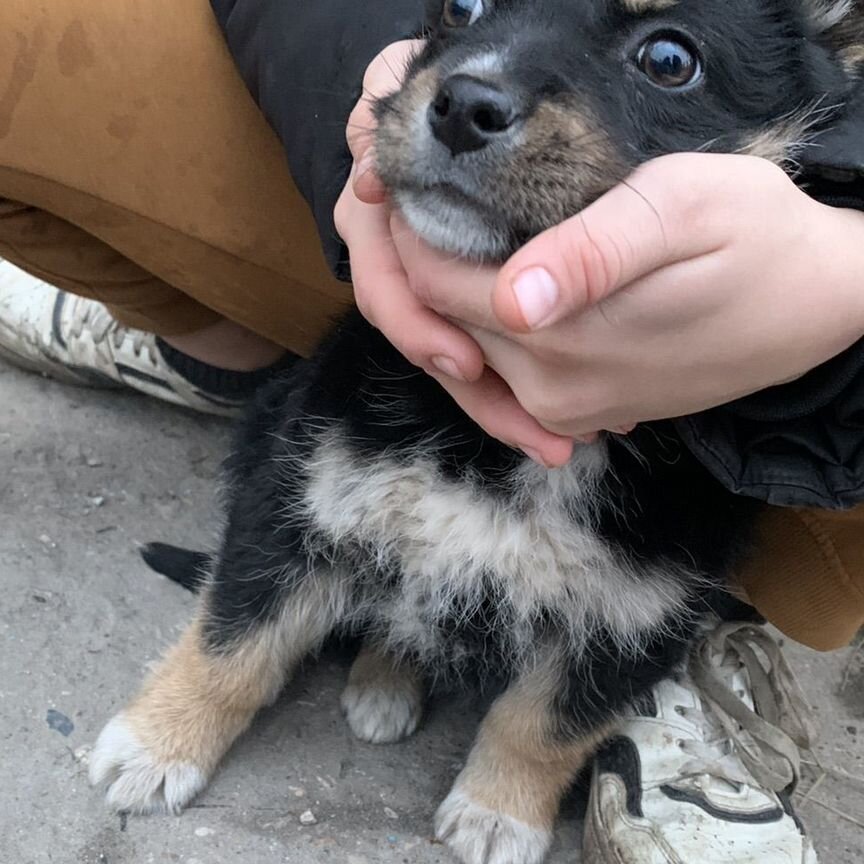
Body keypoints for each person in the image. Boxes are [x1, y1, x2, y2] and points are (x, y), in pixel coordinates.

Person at [0, 2, 860, 862]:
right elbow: (285, 534)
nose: (476, 91)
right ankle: (211, 354)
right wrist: (367, 80)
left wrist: (843, 293)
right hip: (346, 127)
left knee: (631, 636)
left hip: (759, 367)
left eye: (667, 58)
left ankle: (698, 661)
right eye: (471, 7)